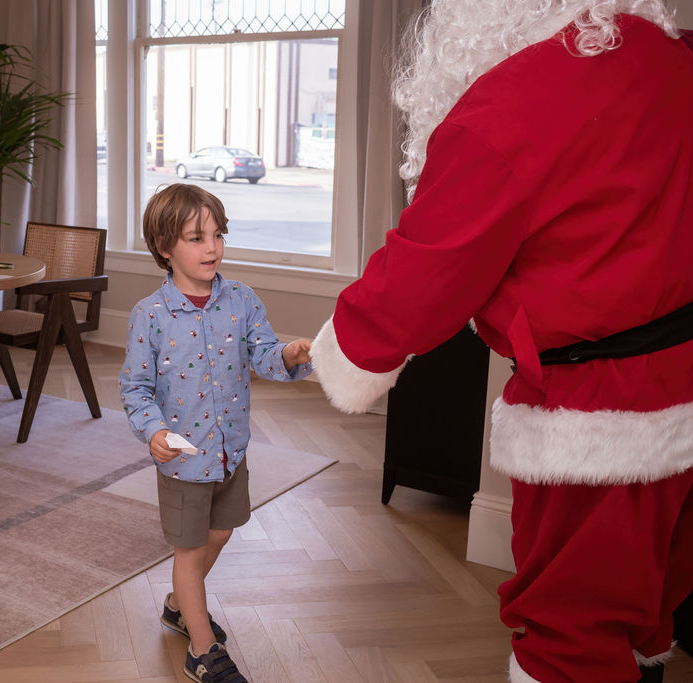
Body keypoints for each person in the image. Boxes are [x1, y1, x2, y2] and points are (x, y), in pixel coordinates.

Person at [308, 2, 693, 682]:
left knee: (570, 633)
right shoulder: (674, 56)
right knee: (650, 602)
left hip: (602, 417)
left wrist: (349, 349)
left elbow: (429, 265)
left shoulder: (515, 100)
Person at [119, 183, 313, 683]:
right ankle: (202, 650)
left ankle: (178, 605)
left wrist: (288, 354)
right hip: (184, 459)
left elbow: (263, 355)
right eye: (196, 237)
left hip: (230, 451)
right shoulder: (150, 316)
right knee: (188, 551)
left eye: (218, 235)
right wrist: (154, 431)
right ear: (164, 247)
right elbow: (136, 389)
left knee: (221, 531)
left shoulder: (241, 300)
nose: (212, 248)